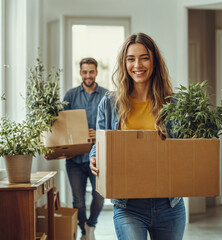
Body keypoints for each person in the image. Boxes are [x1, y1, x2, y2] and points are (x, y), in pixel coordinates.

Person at [89, 33, 186, 240]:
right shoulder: (109, 103)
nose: (137, 65)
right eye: (131, 59)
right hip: (128, 205)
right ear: (124, 64)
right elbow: (100, 143)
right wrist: (94, 158)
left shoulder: (173, 104)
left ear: (154, 61)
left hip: (169, 204)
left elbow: (182, 148)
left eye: (144, 57)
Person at [63, 57, 108, 240]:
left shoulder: (107, 96)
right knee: (78, 202)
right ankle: (83, 232)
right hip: (75, 160)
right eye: (84, 72)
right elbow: (62, 124)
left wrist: (100, 133)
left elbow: (114, 124)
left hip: (99, 157)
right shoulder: (71, 95)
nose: (88, 75)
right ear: (80, 73)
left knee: (99, 197)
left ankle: (91, 224)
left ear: (96, 72)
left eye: (91, 71)